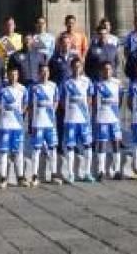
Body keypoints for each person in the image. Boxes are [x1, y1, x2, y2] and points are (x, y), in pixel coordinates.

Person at [60, 56, 94, 184]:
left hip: (84, 120)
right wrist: (69, 112)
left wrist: (85, 112)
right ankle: (70, 174)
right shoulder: (66, 82)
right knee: (70, 146)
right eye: (74, 66)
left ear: (82, 67)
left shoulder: (87, 81)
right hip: (70, 120)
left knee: (87, 145)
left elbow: (90, 99)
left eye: (79, 66)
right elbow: (62, 100)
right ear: (71, 67)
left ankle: (87, 172)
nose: (76, 68)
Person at [0, 61, 28, 187]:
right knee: (4, 152)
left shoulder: (23, 89)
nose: (13, 77)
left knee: (18, 152)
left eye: (15, 75)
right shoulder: (2, 89)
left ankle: (20, 177)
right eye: (11, 75)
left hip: (17, 125)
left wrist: (21, 112)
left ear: (18, 75)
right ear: (7, 75)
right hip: (4, 125)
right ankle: (3, 178)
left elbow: (26, 103)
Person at [27, 60, 59, 186]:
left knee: (53, 149)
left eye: (46, 71)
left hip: (50, 124)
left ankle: (54, 174)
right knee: (36, 150)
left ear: (49, 73)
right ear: (38, 73)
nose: (44, 74)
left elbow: (56, 101)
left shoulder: (53, 86)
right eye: (42, 72)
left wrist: (52, 113)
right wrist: (30, 123)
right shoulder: (33, 87)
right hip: (37, 123)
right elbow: (29, 106)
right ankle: (34, 176)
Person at [93, 60, 123, 182]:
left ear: (112, 70)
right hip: (102, 118)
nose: (107, 71)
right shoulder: (97, 85)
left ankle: (116, 170)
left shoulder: (117, 84)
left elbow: (120, 99)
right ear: (101, 71)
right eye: (105, 69)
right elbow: (94, 101)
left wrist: (115, 111)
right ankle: (101, 170)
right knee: (102, 144)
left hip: (114, 118)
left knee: (116, 143)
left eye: (109, 69)